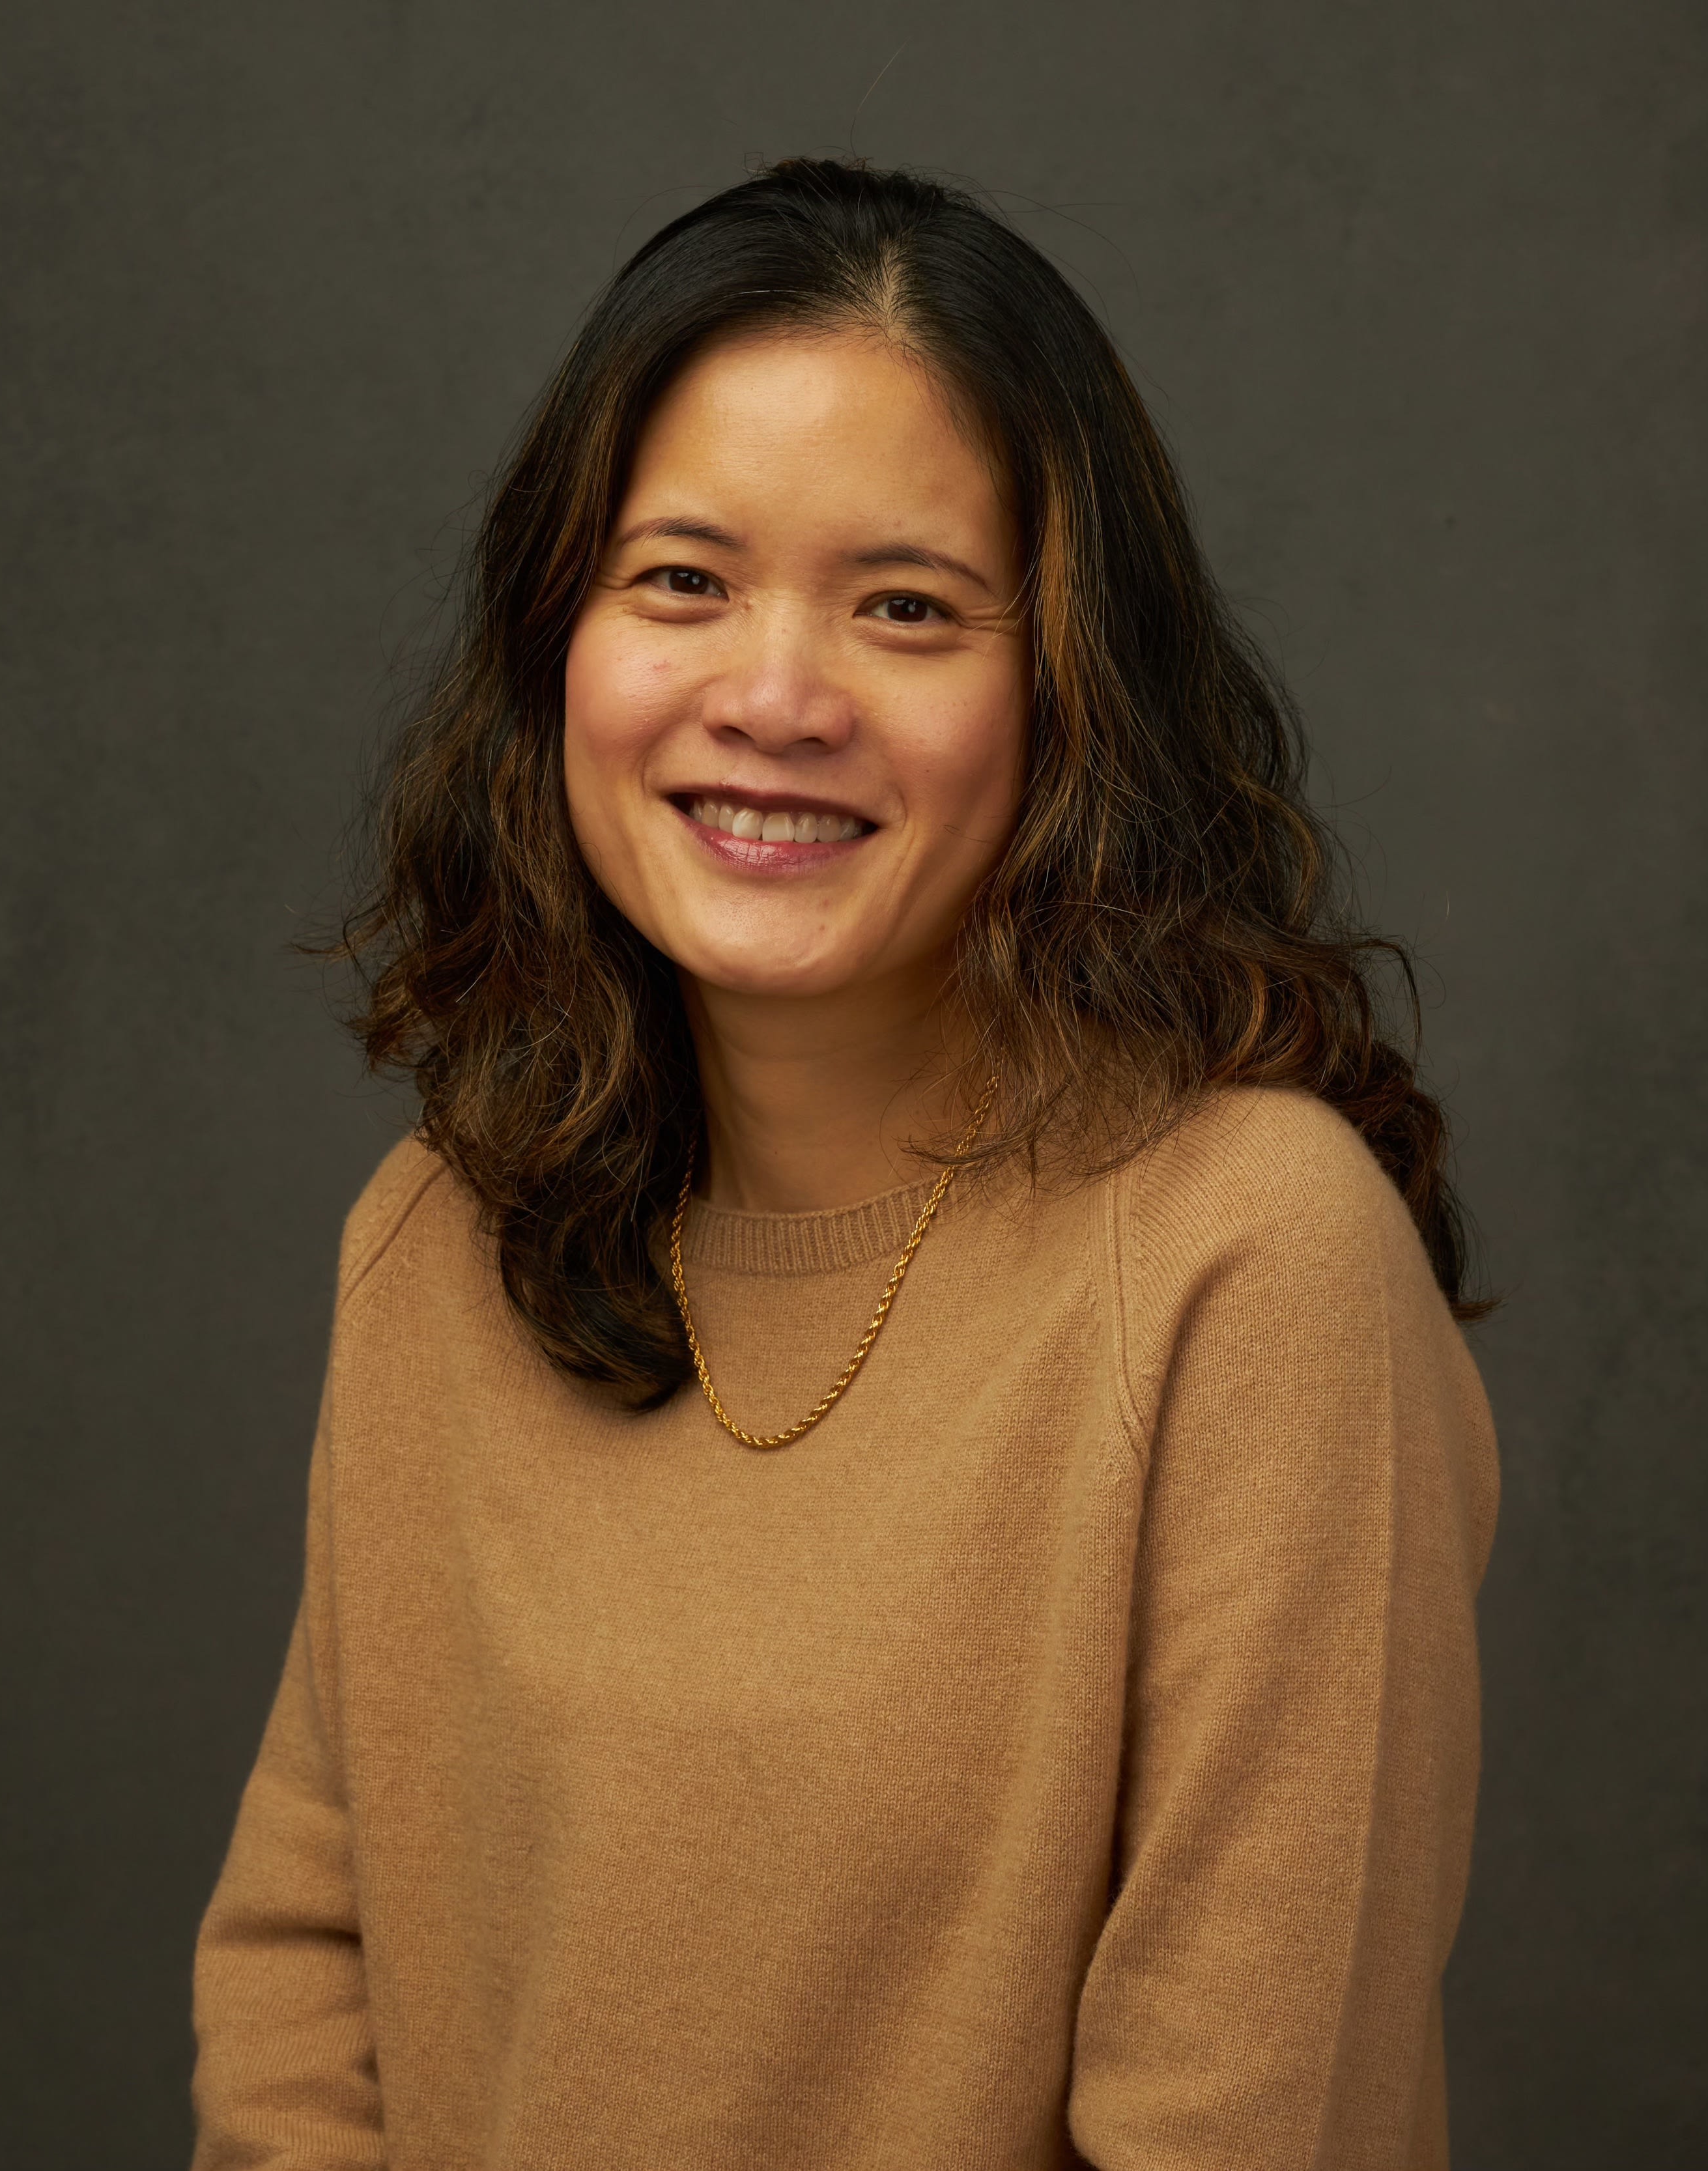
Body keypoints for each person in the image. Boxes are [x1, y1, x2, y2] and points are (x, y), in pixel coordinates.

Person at [190, 158, 1500, 2170]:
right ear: (560, 646)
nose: (777, 700)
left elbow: (1245, 2130)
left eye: (906, 608)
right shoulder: (441, 1239)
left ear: (1069, 689)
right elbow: (305, 1986)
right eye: (682, 583)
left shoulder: (1254, 1271)